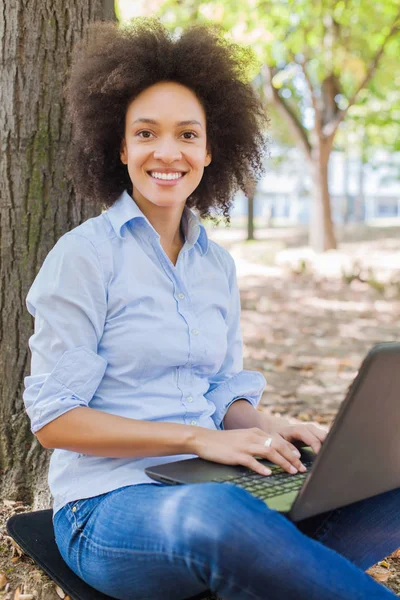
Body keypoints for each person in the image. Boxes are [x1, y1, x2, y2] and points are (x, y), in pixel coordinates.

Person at [23, 18, 399, 600]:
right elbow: (54, 422)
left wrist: (275, 430)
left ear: (209, 148)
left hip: (216, 486)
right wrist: (198, 440)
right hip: (107, 508)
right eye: (146, 134)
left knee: (387, 479)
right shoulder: (84, 257)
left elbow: (223, 391)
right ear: (120, 147)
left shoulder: (214, 265)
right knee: (220, 514)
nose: (167, 152)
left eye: (187, 135)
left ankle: (266, 569)